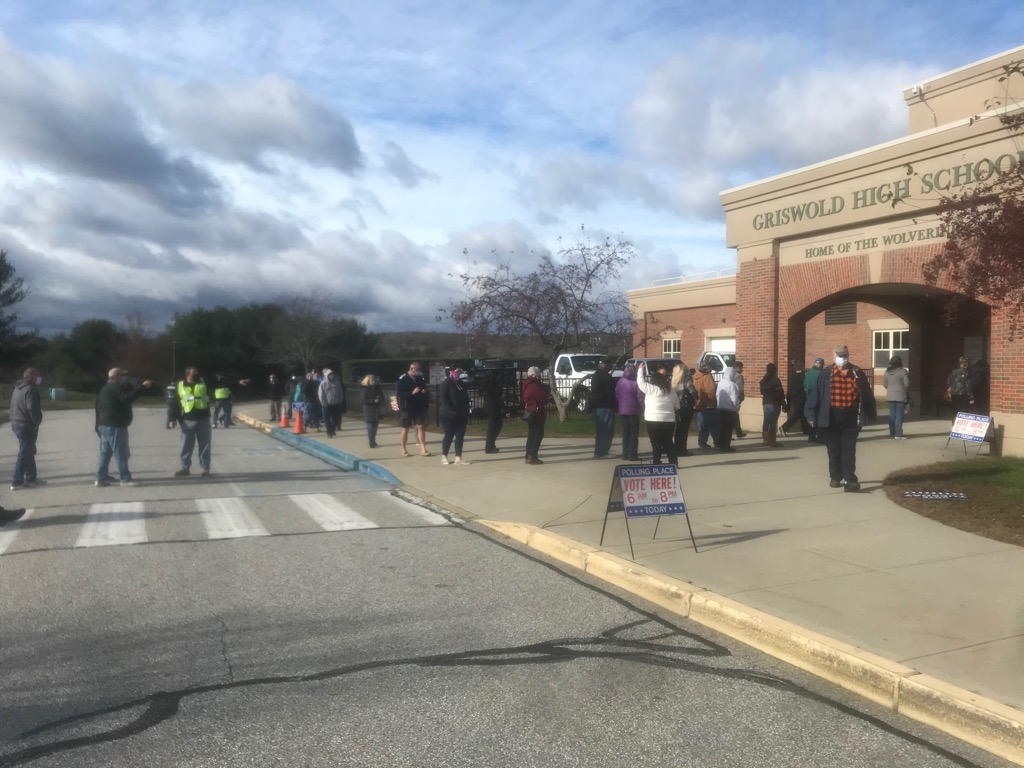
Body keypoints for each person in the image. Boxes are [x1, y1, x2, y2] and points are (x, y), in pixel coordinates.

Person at [805, 344, 877, 492]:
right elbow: (815, 395)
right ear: (833, 356)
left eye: (844, 356)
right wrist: (810, 414)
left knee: (849, 449)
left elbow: (867, 394)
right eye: (839, 356)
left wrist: (871, 412)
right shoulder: (826, 374)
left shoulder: (857, 373)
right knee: (834, 449)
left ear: (848, 356)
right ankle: (835, 477)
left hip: (851, 417)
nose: (841, 359)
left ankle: (850, 479)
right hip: (830, 417)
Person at [95, 368, 154, 487]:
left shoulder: (105, 388)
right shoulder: (115, 387)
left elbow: (98, 407)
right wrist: (142, 387)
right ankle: (125, 478)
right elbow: (127, 398)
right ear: (116, 376)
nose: (125, 377)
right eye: (122, 375)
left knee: (105, 453)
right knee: (121, 452)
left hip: (104, 425)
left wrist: (97, 426)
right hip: (115, 425)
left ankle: (101, 477)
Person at [171, 366, 214, 477]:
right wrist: (172, 418)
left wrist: (238, 381)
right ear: (187, 375)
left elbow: (220, 382)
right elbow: (175, 403)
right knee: (186, 445)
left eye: (196, 373)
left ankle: (205, 468)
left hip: (203, 418)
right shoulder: (180, 385)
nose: (196, 375)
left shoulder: (203, 382)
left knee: (205, 445)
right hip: (188, 419)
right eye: (193, 373)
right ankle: (185, 468)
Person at [636, 362, 679, 464]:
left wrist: (640, 370)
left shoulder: (651, 389)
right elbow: (677, 405)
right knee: (668, 442)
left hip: (652, 419)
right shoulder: (671, 391)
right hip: (668, 420)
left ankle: (656, 461)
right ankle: (673, 462)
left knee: (655, 442)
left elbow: (640, 382)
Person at [10, 367, 44, 490]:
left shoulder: (18, 388)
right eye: (37, 376)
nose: (39, 378)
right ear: (31, 377)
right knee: (25, 452)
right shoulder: (31, 389)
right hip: (26, 424)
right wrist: (37, 422)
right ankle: (17, 481)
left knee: (28, 450)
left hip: (16, 422)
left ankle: (31, 478)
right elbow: (32, 409)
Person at [396, 362, 431, 457]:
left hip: (418, 406)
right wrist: (411, 393)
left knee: (420, 426)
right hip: (407, 407)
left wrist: (424, 390)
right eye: (416, 371)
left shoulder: (419, 378)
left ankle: (423, 448)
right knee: (406, 428)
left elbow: (424, 387)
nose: (417, 374)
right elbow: (400, 394)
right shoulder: (403, 379)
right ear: (411, 369)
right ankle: (403, 448)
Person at [439, 367, 471, 465]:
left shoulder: (460, 383)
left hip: (461, 414)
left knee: (460, 436)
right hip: (448, 415)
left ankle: (458, 457)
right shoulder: (446, 383)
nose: (457, 374)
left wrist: (467, 408)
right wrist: (452, 411)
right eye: (456, 372)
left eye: (459, 372)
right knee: (449, 435)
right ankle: (444, 455)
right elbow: (444, 398)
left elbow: (465, 396)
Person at [522, 366, 549, 465]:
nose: (539, 376)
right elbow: (543, 398)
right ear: (535, 375)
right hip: (536, 412)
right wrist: (546, 395)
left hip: (530, 411)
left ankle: (528, 454)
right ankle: (532, 456)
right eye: (538, 374)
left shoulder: (527, 384)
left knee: (531, 434)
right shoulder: (534, 386)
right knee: (538, 434)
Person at [615, 364, 643, 461]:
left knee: (625, 432)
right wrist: (643, 407)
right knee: (633, 433)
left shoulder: (620, 381)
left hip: (623, 410)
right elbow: (640, 396)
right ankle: (632, 454)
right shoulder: (636, 383)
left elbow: (617, 394)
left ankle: (625, 453)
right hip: (634, 410)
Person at [590, 360, 617, 459]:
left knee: (600, 430)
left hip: (597, 406)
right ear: (605, 366)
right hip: (605, 406)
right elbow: (610, 393)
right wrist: (614, 406)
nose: (610, 367)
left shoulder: (595, 375)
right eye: (609, 365)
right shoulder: (606, 377)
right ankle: (603, 452)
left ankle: (599, 451)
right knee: (606, 430)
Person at [671, 363, 696, 457]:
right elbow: (692, 390)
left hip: (677, 407)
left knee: (678, 429)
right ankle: (683, 449)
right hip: (686, 406)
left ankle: (677, 448)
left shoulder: (674, 381)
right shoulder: (687, 379)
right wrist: (696, 398)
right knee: (684, 429)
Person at [883, 356, 910, 439]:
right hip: (901, 395)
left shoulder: (886, 372)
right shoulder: (903, 372)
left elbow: (884, 384)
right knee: (899, 415)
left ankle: (892, 433)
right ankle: (898, 434)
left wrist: (891, 388)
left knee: (892, 415)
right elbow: (907, 384)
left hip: (890, 395)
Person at [759, 362, 786, 447]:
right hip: (775, 403)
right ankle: (772, 441)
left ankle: (765, 440)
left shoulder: (763, 380)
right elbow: (780, 392)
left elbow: (762, 392)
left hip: (765, 403)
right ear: (775, 370)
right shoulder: (776, 380)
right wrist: (782, 400)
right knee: (773, 422)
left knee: (766, 421)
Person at [779, 360, 808, 438]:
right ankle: (784, 427)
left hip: (793, 398)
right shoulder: (803, 377)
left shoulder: (792, 376)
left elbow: (790, 389)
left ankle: (806, 430)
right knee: (798, 414)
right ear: (803, 368)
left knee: (802, 415)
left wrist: (788, 400)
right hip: (801, 398)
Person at [693, 362, 718, 449]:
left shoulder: (695, 376)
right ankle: (717, 442)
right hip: (709, 404)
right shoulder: (707, 376)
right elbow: (711, 390)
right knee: (713, 425)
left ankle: (702, 443)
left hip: (699, 403)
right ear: (707, 368)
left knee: (702, 425)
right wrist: (713, 399)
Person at [717, 365, 741, 453]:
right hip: (730, 410)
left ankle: (721, 445)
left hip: (721, 408)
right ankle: (726, 447)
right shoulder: (732, 384)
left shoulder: (720, 382)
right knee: (728, 429)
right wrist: (737, 407)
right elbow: (734, 398)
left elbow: (717, 395)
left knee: (722, 428)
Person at [480, 369, 504, 454]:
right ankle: (489, 446)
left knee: (494, 426)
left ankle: (491, 445)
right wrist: (504, 408)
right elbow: (498, 399)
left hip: (488, 406)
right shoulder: (495, 386)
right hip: (494, 407)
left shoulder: (487, 386)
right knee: (494, 427)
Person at [319, 368, 348, 438]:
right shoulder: (323, 383)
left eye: (332, 375)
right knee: (327, 419)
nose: (331, 376)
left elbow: (341, 393)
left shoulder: (337, 383)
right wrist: (323, 403)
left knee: (336, 419)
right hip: (326, 405)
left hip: (335, 404)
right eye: (329, 375)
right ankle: (329, 431)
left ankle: (333, 429)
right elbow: (321, 394)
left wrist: (340, 400)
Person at [803, 358, 825, 442]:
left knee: (811, 417)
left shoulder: (808, 374)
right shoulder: (821, 374)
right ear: (822, 364)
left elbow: (804, 386)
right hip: (819, 397)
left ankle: (811, 436)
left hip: (809, 396)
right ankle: (820, 436)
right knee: (820, 417)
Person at [946, 356, 974, 421]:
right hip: (964, 394)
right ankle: (962, 426)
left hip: (954, 394)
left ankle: (954, 425)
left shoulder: (953, 371)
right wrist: (971, 397)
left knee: (955, 411)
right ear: (966, 363)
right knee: (964, 412)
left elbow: (948, 381)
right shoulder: (966, 372)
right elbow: (968, 385)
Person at [360, 374, 384, 448]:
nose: (373, 381)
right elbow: (363, 400)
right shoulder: (365, 389)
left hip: (377, 410)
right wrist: (373, 401)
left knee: (375, 427)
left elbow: (382, 396)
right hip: (369, 410)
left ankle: (373, 440)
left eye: (374, 380)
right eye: (372, 380)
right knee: (370, 427)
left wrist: (380, 399)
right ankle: (371, 442)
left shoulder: (377, 388)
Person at [733, 361, 747, 438]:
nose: (742, 369)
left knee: (734, 416)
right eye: (741, 368)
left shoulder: (729, 375)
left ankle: (739, 432)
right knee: (734, 416)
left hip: (729, 398)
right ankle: (738, 432)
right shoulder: (738, 376)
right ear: (737, 368)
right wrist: (741, 397)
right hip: (736, 398)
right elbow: (740, 388)